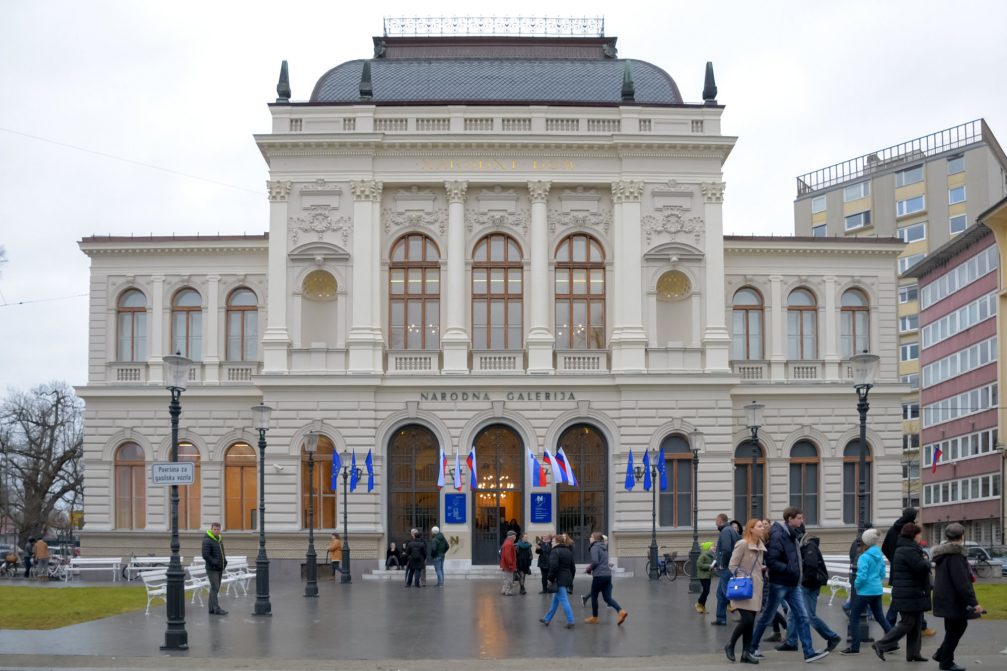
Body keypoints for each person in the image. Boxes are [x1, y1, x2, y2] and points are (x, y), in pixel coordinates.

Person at [747, 507, 829, 663]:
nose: (801, 520)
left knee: (803, 616)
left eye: (801, 517)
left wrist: (794, 572)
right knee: (767, 616)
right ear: (789, 519)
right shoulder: (779, 535)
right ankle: (751, 648)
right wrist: (790, 569)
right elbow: (771, 560)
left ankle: (809, 652)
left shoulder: (791, 534)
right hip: (780, 584)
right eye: (798, 518)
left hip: (793, 584)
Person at [871, 523, 932, 661]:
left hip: (912, 591)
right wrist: (927, 561)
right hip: (909, 593)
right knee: (907, 622)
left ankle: (914, 653)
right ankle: (881, 645)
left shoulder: (906, 548)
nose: (920, 537)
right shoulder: (908, 550)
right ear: (913, 535)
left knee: (916, 623)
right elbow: (920, 566)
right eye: (919, 534)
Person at [779, 528, 841, 653]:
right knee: (792, 613)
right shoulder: (803, 546)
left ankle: (832, 637)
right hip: (803, 584)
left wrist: (802, 581)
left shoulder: (809, 546)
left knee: (809, 616)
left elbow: (811, 567)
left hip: (808, 585)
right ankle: (791, 642)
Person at [931, 523, 980, 671]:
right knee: (957, 628)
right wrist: (974, 603)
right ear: (962, 536)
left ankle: (942, 655)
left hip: (944, 596)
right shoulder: (956, 555)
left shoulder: (943, 553)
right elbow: (962, 583)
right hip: (953, 598)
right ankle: (945, 661)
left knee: (953, 628)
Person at [881, 508, 935, 636]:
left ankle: (920, 626)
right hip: (911, 571)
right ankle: (890, 629)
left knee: (902, 599)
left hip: (898, 569)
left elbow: (884, 548)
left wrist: (895, 560)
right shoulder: (909, 529)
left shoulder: (892, 529)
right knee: (908, 599)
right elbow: (913, 550)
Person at [840, 527, 893, 654]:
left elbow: (861, 576)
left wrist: (857, 585)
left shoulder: (864, 557)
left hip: (865, 591)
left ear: (864, 542)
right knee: (880, 617)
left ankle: (854, 647)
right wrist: (875, 581)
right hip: (877, 590)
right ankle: (893, 641)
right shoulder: (878, 555)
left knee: (854, 617)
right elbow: (881, 573)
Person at [724, 519, 766, 664]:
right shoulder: (742, 544)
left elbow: (756, 567)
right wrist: (744, 577)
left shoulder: (760, 546)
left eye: (763, 526)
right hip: (742, 588)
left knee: (750, 622)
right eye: (759, 526)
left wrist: (763, 569)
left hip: (756, 588)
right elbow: (732, 565)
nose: (763, 528)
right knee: (747, 619)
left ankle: (745, 654)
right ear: (751, 529)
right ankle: (730, 644)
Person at [583, 531, 627, 625]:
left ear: (595, 539)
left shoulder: (594, 547)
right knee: (607, 598)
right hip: (607, 575)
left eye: (591, 537)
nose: (589, 538)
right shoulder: (603, 547)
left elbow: (595, 561)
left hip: (599, 575)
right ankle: (621, 611)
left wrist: (588, 569)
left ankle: (594, 618)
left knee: (594, 596)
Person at [540, 533, 576, 628]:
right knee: (555, 600)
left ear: (556, 541)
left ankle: (571, 620)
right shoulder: (568, 551)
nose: (551, 542)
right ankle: (547, 619)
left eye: (552, 541)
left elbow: (553, 567)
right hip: (566, 578)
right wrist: (571, 578)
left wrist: (550, 579)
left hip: (558, 579)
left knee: (564, 600)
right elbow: (573, 567)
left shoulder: (555, 551)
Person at [713, 512, 741, 626]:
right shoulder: (732, 530)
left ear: (720, 521)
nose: (716, 524)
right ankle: (720, 618)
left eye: (716, 521)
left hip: (727, 567)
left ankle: (743, 614)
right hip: (731, 566)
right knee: (720, 594)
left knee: (728, 593)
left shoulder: (725, 532)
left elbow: (726, 549)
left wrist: (723, 563)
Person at [201, 522, 227, 615]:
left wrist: (225, 561)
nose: (216, 531)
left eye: (218, 529)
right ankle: (216, 608)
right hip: (212, 569)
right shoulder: (207, 540)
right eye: (215, 529)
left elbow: (221, 553)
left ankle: (211, 609)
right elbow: (205, 555)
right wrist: (215, 562)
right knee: (215, 587)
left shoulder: (219, 539)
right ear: (211, 529)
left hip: (219, 568)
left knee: (215, 588)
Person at [695, 541, 715, 614]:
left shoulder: (711, 555)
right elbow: (699, 564)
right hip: (703, 576)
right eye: (712, 546)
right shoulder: (703, 555)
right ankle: (699, 603)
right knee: (706, 591)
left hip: (708, 575)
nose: (714, 547)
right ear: (708, 548)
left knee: (707, 591)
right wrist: (709, 566)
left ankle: (702, 606)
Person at [499, 529, 518, 595]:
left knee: (506, 578)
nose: (515, 537)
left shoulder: (507, 543)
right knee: (509, 579)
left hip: (505, 564)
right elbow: (507, 556)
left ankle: (504, 590)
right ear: (512, 537)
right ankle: (508, 591)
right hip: (508, 565)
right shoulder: (509, 544)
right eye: (515, 536)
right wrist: (510, 565)